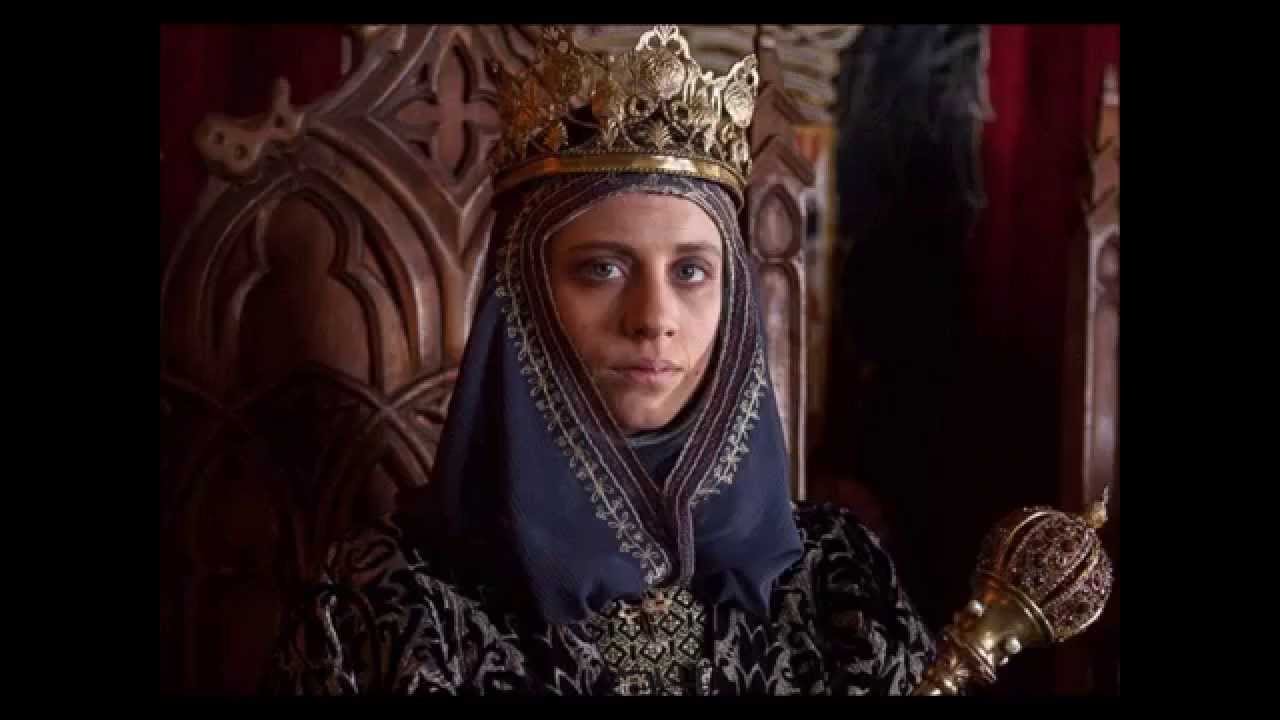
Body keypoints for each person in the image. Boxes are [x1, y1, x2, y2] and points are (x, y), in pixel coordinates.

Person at [265, 25, 935, 696]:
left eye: (692, 271)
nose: (653, 319)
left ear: (736, 304)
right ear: (523, 298)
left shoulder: (838, 581)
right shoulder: (392, 604)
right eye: (603, 269)